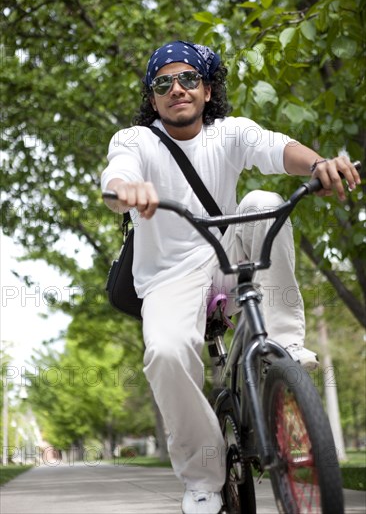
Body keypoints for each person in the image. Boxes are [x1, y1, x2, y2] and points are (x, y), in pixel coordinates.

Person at [101, 41, 360, 514]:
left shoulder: (230, 132)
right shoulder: (135, 140)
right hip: (170, 276)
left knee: (264, 201)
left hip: (229, 254)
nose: (176, 88)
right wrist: (125, 190)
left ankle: (281, 344)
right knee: (165, 352)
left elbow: (277, 147)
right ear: (153, 97)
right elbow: (118, 175)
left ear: (206, 88)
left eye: (187, 79)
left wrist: (320, 164)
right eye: (163, 83)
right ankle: (202, 476)